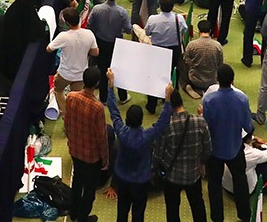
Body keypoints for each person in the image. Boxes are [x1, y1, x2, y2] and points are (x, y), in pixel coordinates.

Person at [105, 70, 172, 222]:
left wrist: (110, 87)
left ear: (127, 119)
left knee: (122, 210)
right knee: (139, 212)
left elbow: (113, 111)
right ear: (142, 120)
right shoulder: (148, 136)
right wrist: (168, 100)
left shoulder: (121, 132)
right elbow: (162, 122)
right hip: (141, 180)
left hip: (122, 178)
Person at [201, 65, 252, 222]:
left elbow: (205, 127)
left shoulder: (208, 100)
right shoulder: (242, 99)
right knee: (240, 181)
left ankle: (217, 218)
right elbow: (248, 127)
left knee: (214, 185)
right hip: (235, 148)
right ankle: (244, 215)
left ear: (217, 79)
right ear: (232, 80)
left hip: (214, 150)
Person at [153, 89, 212, 222]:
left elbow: (158, 153)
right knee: (197, 205)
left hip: (172, 176)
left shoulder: (166, 126)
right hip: (194, 174)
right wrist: (202, 163)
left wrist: (154, 168)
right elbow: (208, 149)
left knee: (172, 208)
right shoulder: (200, 121)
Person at [62, 67, 108, 222]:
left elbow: (67, 122)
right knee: (89, 190)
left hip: (75, 150)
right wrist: (105, 160)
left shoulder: (71, 97)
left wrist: (70, 141)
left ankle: (74, 212)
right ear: (97, 83)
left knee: (77, 181)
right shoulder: (97, 107)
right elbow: (101, 137)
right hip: (91, 157)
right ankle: (82, 218)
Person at [48, 6, 98, 112]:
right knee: (77, 99)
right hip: (80, 75)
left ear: (67, 23)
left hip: (64, 74)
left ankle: (66, 113)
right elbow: (95, 52)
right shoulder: (89, 34)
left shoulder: (63, 36)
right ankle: (72, 113)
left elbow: (49, 49)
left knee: (58, 91)